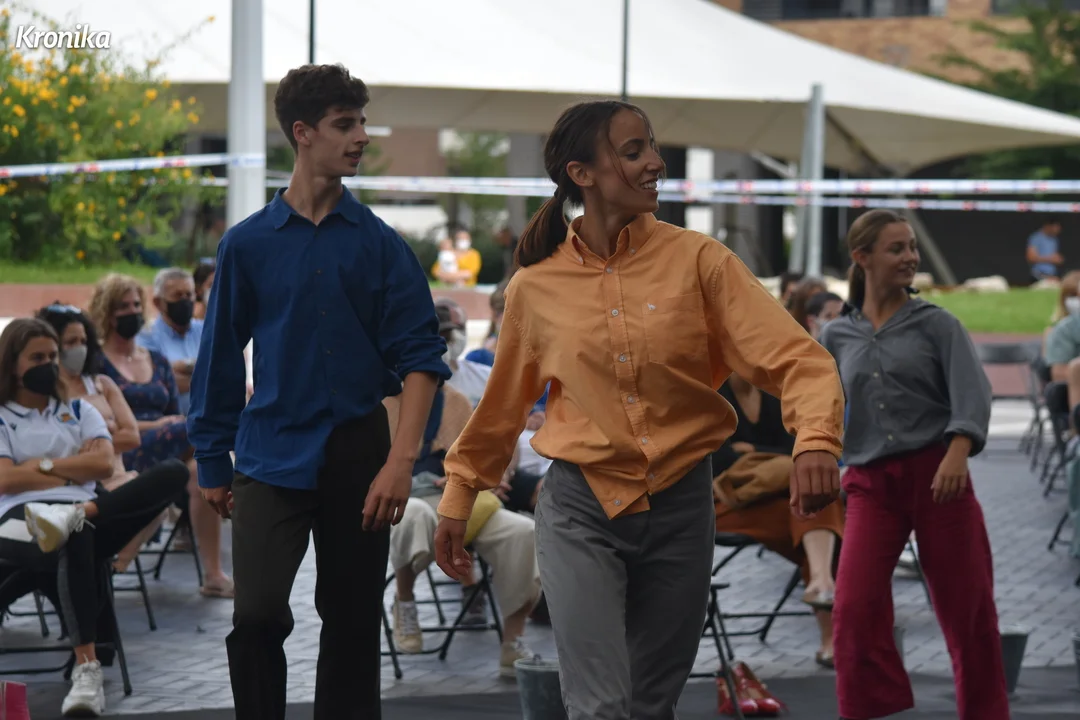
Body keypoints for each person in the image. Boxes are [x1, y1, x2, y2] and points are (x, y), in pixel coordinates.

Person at [432, 100, 845, 720]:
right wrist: (458, 497)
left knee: (652, 705)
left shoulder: (702, 262)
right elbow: (500, 409)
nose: (656, 162)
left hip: (684, 505)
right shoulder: (534, 288)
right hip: (579, 509)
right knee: (600, 707)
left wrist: (816, 439)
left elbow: (799, 359)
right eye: (633, 151)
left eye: (652, 146)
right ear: (582, 174)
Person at [187, 63, 449, 720]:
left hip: (361, 452)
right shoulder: (247, 245)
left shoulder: (382, 245)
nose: (361, 137)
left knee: (353, 620)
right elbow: (219, 358)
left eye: (362, 122)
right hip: (270, 450)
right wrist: (212, 459)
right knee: (255, 615)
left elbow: (423, 360)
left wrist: (400, 463)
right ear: (303, 133)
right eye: (344, 124)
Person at [819, 209, 1008, 720]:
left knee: (969, 614)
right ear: (862, 258)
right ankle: (867, 710)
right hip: (869, 486)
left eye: (912, 247)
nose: (910, 257)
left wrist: (957, 453)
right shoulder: (835, 336)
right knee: (854, 609)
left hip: (940, 477)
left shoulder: (938, 324)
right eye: (896, 248)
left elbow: (973, 394)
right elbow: (820, 408)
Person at [0, 318, 188, 718]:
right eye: (37, 357)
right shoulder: (2, 416)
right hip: (19, 518)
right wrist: (71, 467)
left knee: (172, 472)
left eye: (53, 356)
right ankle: (87, 672)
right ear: (13, 364)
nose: (50, 364)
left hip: (88, 507)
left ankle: (75, 515)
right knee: (76, 533)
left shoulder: (78, 408)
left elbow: (103, 463)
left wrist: (38, 466)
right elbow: (5, 479)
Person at [89, 273, 232, 598]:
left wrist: (172, 426)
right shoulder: (97, 364)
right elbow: (103, 426)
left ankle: (213, 574)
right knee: (200, 429)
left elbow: (174, 412)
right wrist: (158, 427)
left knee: (198, 471)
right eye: (123, 306)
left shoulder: (155, 360)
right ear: (106, 313)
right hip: (126, 450)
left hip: (172, 446)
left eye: (136, 305)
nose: (132, 312)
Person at [384, 383, 539, 675]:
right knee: (414, 514)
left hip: (461, 496)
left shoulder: (455, 400)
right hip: (407, 497)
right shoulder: (383, 399)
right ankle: (404, 600)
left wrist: (479, 477)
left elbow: (481, 453)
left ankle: (513, 640)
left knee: (523, 532)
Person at [710, 374, 843, 669]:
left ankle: (822, 583)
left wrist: (752, 451)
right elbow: (719, 462)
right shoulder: (712, 393)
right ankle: (827, 609)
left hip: (777, 497)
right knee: (822, 525)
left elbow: (799, 449)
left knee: (817, 506)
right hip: (725, 502)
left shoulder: (773, 395)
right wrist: (771, 455)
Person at [36, 303, 166, 570]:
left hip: (117, 478)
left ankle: (114, 567)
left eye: (83, 341)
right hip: (77, 486)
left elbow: (132, 436)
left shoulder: (101, 384)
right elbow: (54, 445)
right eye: (71, 342)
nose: (79, 348)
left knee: (161, 495)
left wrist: (94, 442)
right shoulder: (43, 392)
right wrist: (107, 432)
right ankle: (102, 565)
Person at [139, 267, 204, 415]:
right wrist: (203, 373)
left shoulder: (206, 330)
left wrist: (178, 368)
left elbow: (222, 371)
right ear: (158, 302)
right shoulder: (147, 336)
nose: (185, 300)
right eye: (177, 295)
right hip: (170, 421)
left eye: (189, 294)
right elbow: (156, 381)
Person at [1026, 215, 1064, 283]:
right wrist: (1050, 259)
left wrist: (1057, 259)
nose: (1058, 230)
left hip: (1051, 275)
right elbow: (1031, 257)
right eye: (1056, 227)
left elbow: (1054, 257)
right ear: (1048, 226)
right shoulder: (1036, 238)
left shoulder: (1054, 240)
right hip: (1038, 275)